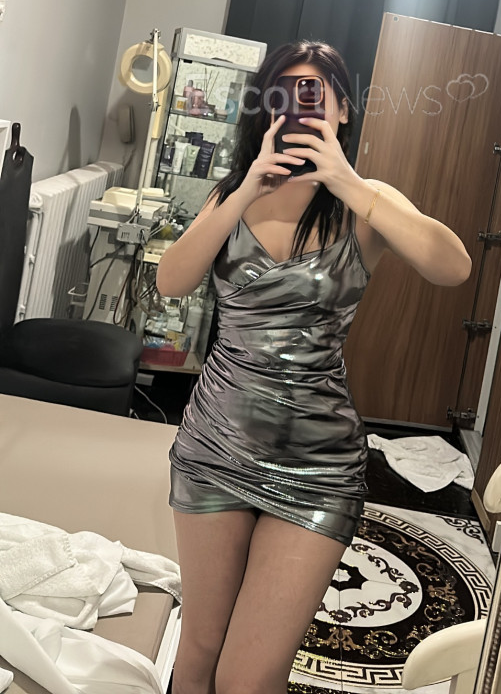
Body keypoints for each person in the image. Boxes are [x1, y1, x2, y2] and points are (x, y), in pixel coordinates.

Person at [156, 40, 471, 694]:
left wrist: (347, 183)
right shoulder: (233, 194)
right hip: (214, 449)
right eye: (282, 94)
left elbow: (453, 266)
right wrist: (246, 186)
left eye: (313, 94)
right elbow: (171, 281)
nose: (296, 109)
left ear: (343, 110)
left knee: (247, 678)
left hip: (317, 468)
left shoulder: (365, 202)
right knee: (200, 650)